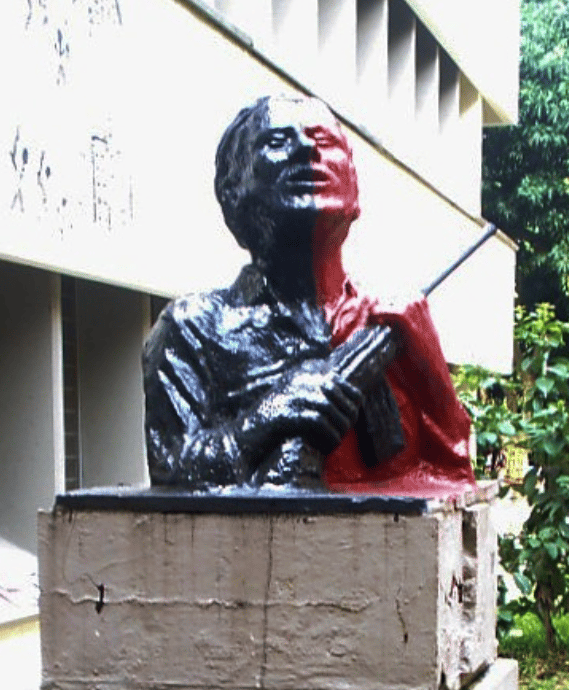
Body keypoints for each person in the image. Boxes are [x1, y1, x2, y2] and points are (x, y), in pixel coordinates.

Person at [143, 95, 475, 497]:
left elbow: (453, 473)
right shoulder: (193, 326)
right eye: (279, 141)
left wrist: (425, 357)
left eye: (324, 141)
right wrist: (268, 417)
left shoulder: (390, 321)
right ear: (232, 189)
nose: (306, 149)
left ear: (354, 189)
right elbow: (172, 469)